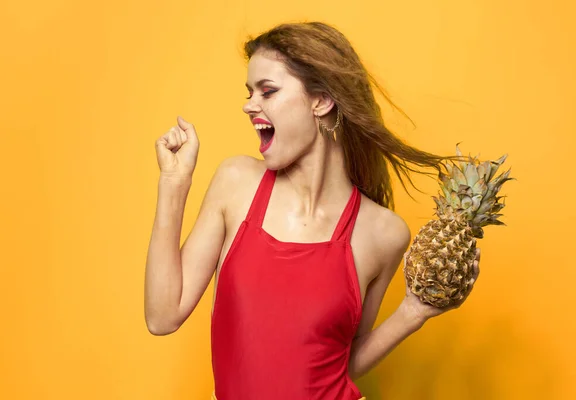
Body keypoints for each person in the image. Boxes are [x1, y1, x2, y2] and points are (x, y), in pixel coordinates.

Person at [144, 21, 480, 400]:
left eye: (267, 91)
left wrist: (413, 313)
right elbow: (162, 316)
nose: (249, 104)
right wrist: (174, 183)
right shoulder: (236, 184)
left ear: (321, 100)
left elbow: (336, 364)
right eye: (250, 92)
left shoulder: (383, 233)